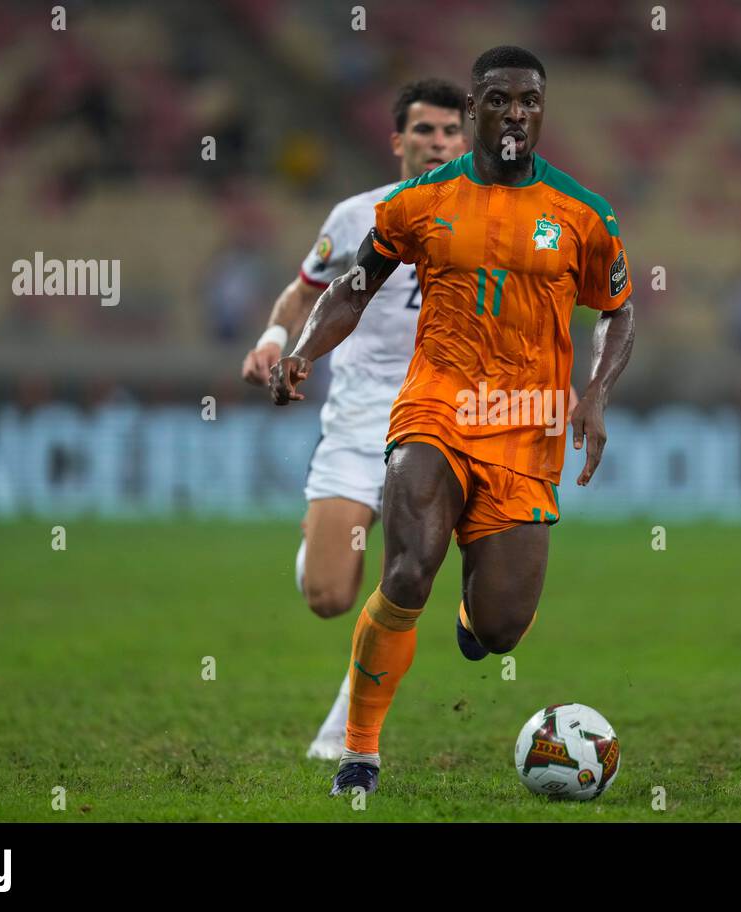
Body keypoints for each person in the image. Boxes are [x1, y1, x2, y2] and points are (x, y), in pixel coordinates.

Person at [268, 46, 636, 795]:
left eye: (530, 102)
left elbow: (620, 309)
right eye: (499, 100)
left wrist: (596, 391)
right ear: (473, 113)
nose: (516, 115)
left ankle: (475, 621)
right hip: (435, 408)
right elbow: (353, 284)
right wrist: (302, 351)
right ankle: (359, 754)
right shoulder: (421, 200)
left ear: (543, 111)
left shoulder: (583, 213)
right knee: (406, 571)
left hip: (527, 427)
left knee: (500, 630)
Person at [240, 79, 467, 760]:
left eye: (452, 131)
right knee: (330, 595)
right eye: (425, 131)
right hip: (361, 416)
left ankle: (345, 727)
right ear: (399, 141)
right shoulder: (354, 217)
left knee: (406, 577)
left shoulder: (494, 216)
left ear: (469, 139)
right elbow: (301, 291)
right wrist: (275, 342)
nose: (439, 143)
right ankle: (322, 540)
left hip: (444, 420)